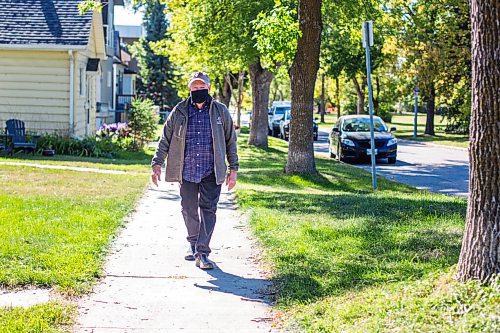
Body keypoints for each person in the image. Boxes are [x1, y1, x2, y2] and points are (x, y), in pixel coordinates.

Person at [151, 71, 239, 270]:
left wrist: (233, 168)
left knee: (208, 210)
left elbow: (230, 141)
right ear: (189, 89)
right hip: (187, 170)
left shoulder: (220, 111)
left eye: (202, 87)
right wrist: (157, 164)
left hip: (211, 170)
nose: (198, 90)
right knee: (189, 209)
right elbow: (165, 139)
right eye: (195, 87)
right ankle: (193, 242)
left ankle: (202, 252)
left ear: (209, 88)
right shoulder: (180, 111)